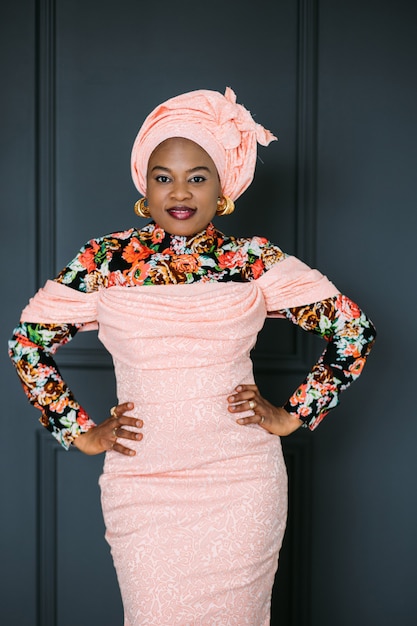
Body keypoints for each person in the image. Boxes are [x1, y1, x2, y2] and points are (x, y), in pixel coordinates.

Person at [9, 87, 376, 625]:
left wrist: (292, 415)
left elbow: (352, 329)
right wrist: (80, 431)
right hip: (144, 484)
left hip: (241, 480)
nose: (179, 191)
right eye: (164, 177)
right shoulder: (105, 261)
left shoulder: (253, 261)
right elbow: (28, 339)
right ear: (146, 185)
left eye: (197, 177)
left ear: (222, 186)